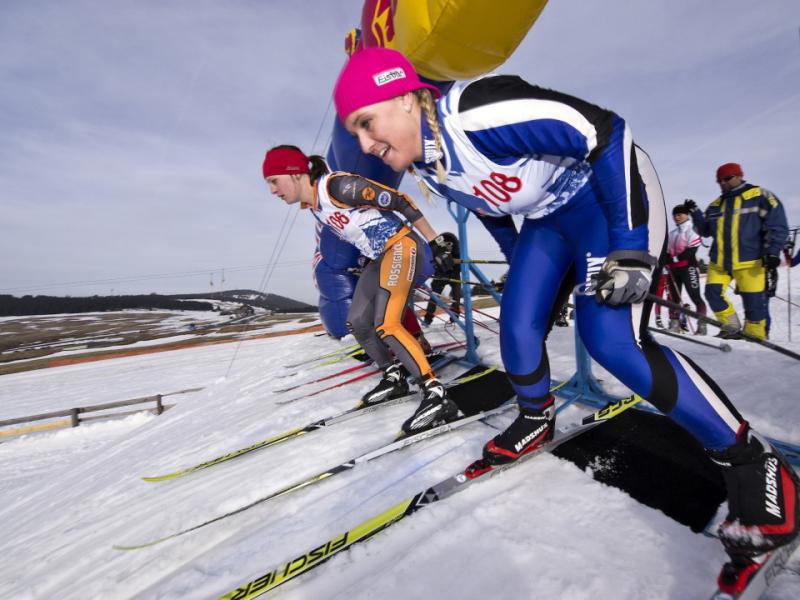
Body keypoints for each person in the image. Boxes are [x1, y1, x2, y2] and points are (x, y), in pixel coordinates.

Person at [332, 47, 799, 587]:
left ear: (405, 96)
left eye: (367, 123)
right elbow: (496, 213)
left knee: (612, 340)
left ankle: (754, 463)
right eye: (356, 132)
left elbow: (604, 132)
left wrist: (629, 246)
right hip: (548, 219)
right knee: (517, 324)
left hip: (605, 198)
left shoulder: (474, 113)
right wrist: (530, 278)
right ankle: (535, 418)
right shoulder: (429, 168)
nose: (367, 144)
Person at [262, 145, 459, 434]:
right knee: (357, 322)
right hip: (381, 257)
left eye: (273, 181)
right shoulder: (315, 207)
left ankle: (436, 394)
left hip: (402, 246)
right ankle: (394, 377)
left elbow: (399, 200)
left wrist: (435, 241)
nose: (272, 191)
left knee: (388, 324)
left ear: (294, 173)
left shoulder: (337, 186)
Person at [686, 163, 788, 340]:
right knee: (712, 293)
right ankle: (731, 326)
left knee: (754, 305)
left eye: (727, 178)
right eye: (719, 181)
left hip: (751, 261)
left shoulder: (760, 196)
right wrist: (695, 213)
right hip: (720, 263)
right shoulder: (716, 205)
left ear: (739, 176)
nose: (723, 183)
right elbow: (705, 230)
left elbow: (778, 226)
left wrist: (773, 252)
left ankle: (754, 338)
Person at [665, 202, 708, 334]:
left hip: (688, 268)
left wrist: (674, 258)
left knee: (694, 296)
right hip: (674, 270)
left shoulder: (693, 230)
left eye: (680, 214)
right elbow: (667, 251)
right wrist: (666, 259)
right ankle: (674, 323)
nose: (677, 217)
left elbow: (691, 252)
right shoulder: (672, 233)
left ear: (686, 215)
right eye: (674, 215)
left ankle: (702, 325)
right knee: (673, 298)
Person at [422, 232, 461, 324]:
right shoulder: (438, 251)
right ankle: (428, 318)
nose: (448, 246)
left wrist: (455, 263)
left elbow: (460, 266)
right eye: (446, 244)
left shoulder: (457, 251)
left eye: (450, 244)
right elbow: (433, 263)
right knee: (434, 298)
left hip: (454, 275)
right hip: (440, 276)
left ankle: (454, 318)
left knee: (457, 297)